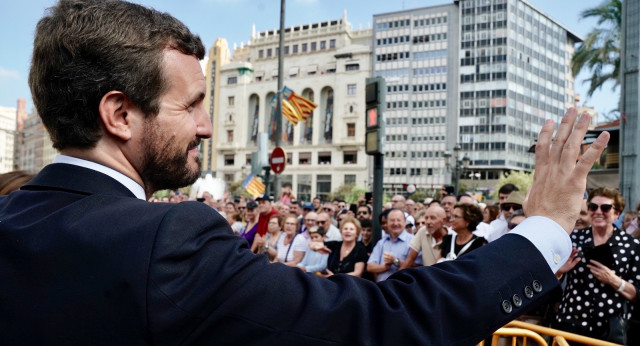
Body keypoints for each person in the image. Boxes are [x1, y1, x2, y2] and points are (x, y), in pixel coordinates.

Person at [3, 0, 611, 343]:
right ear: (120, 113)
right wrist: (545, 229)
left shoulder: (13, 218)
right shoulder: (166, 241)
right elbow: (377, 325)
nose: (209, 127)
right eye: (190, 106)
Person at [553, 187, 640, 343]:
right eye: (593, 207)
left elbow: (637, 294)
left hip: (610, 330)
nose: (598, 211)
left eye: (605, 208)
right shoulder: (573, 238)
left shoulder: (631, 245)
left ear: (617, 214)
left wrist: (614, 281)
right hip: (572, 323)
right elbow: (551, 281)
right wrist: (559, 271)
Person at [366, 209, 414, 282]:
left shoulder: (413, 241)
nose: (395, 223)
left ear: (404, 222)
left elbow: (416, 267)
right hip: (382, 288)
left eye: (398, 220)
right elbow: (370, 267)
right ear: (387, 223)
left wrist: (395, 261)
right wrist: (385, 267)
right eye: (392, 220)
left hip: (403, 288)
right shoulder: (381, 243)